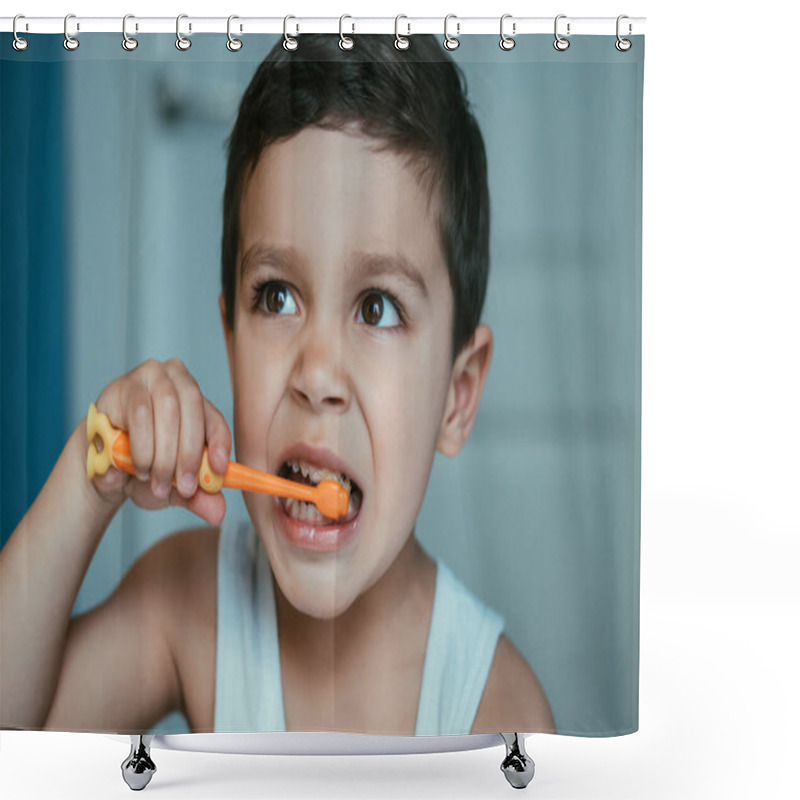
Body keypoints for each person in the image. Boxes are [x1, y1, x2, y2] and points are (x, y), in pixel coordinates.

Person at [0, 34, 554, 737]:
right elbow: (11, 747)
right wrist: (90, 471)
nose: (317, 374)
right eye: (277, 297)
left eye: (376, 307)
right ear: (229, 336)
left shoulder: (501, 713)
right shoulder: (189, 601)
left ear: (458, 394)